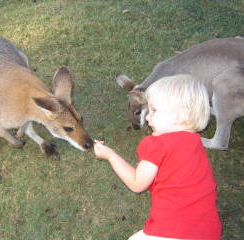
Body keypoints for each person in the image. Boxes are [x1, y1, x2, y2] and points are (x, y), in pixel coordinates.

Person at [94, 75, 222, 240]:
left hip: (171, 231)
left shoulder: (157, 144)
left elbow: (137, 183)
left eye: (154, 110)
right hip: (209, 232)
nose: (147, 117)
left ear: (181, 116)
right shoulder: (195, 143)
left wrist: (110, 155)